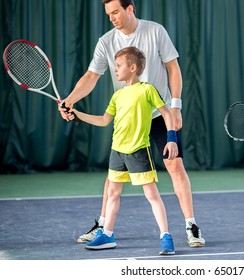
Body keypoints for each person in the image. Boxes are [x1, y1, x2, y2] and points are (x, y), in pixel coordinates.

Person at [59, 0, 205, 248]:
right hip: (129, 119)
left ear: (130, 8)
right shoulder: (106, 41)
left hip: (159, 114)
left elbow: (173, 68)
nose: (112, 17)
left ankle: (191, 225)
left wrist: (176, 106)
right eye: (108, 14)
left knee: (175, 165)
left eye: (115, 11)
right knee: (112, 178)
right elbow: (92, 76)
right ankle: (103, 225)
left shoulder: (155, 30)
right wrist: (70, 100)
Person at [71, 46, 177, 255]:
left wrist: (171, 139)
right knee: (112, 193)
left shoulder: (147, 89)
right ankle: (108, 234)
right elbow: (103, 120)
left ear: (133, 67)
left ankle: (166, 237)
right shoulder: (117, 95)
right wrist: (76, 113)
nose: (115, 69)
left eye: (119, 65)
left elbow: (166, 113)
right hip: (117, 151)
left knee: (152, 195)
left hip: (138, 150)